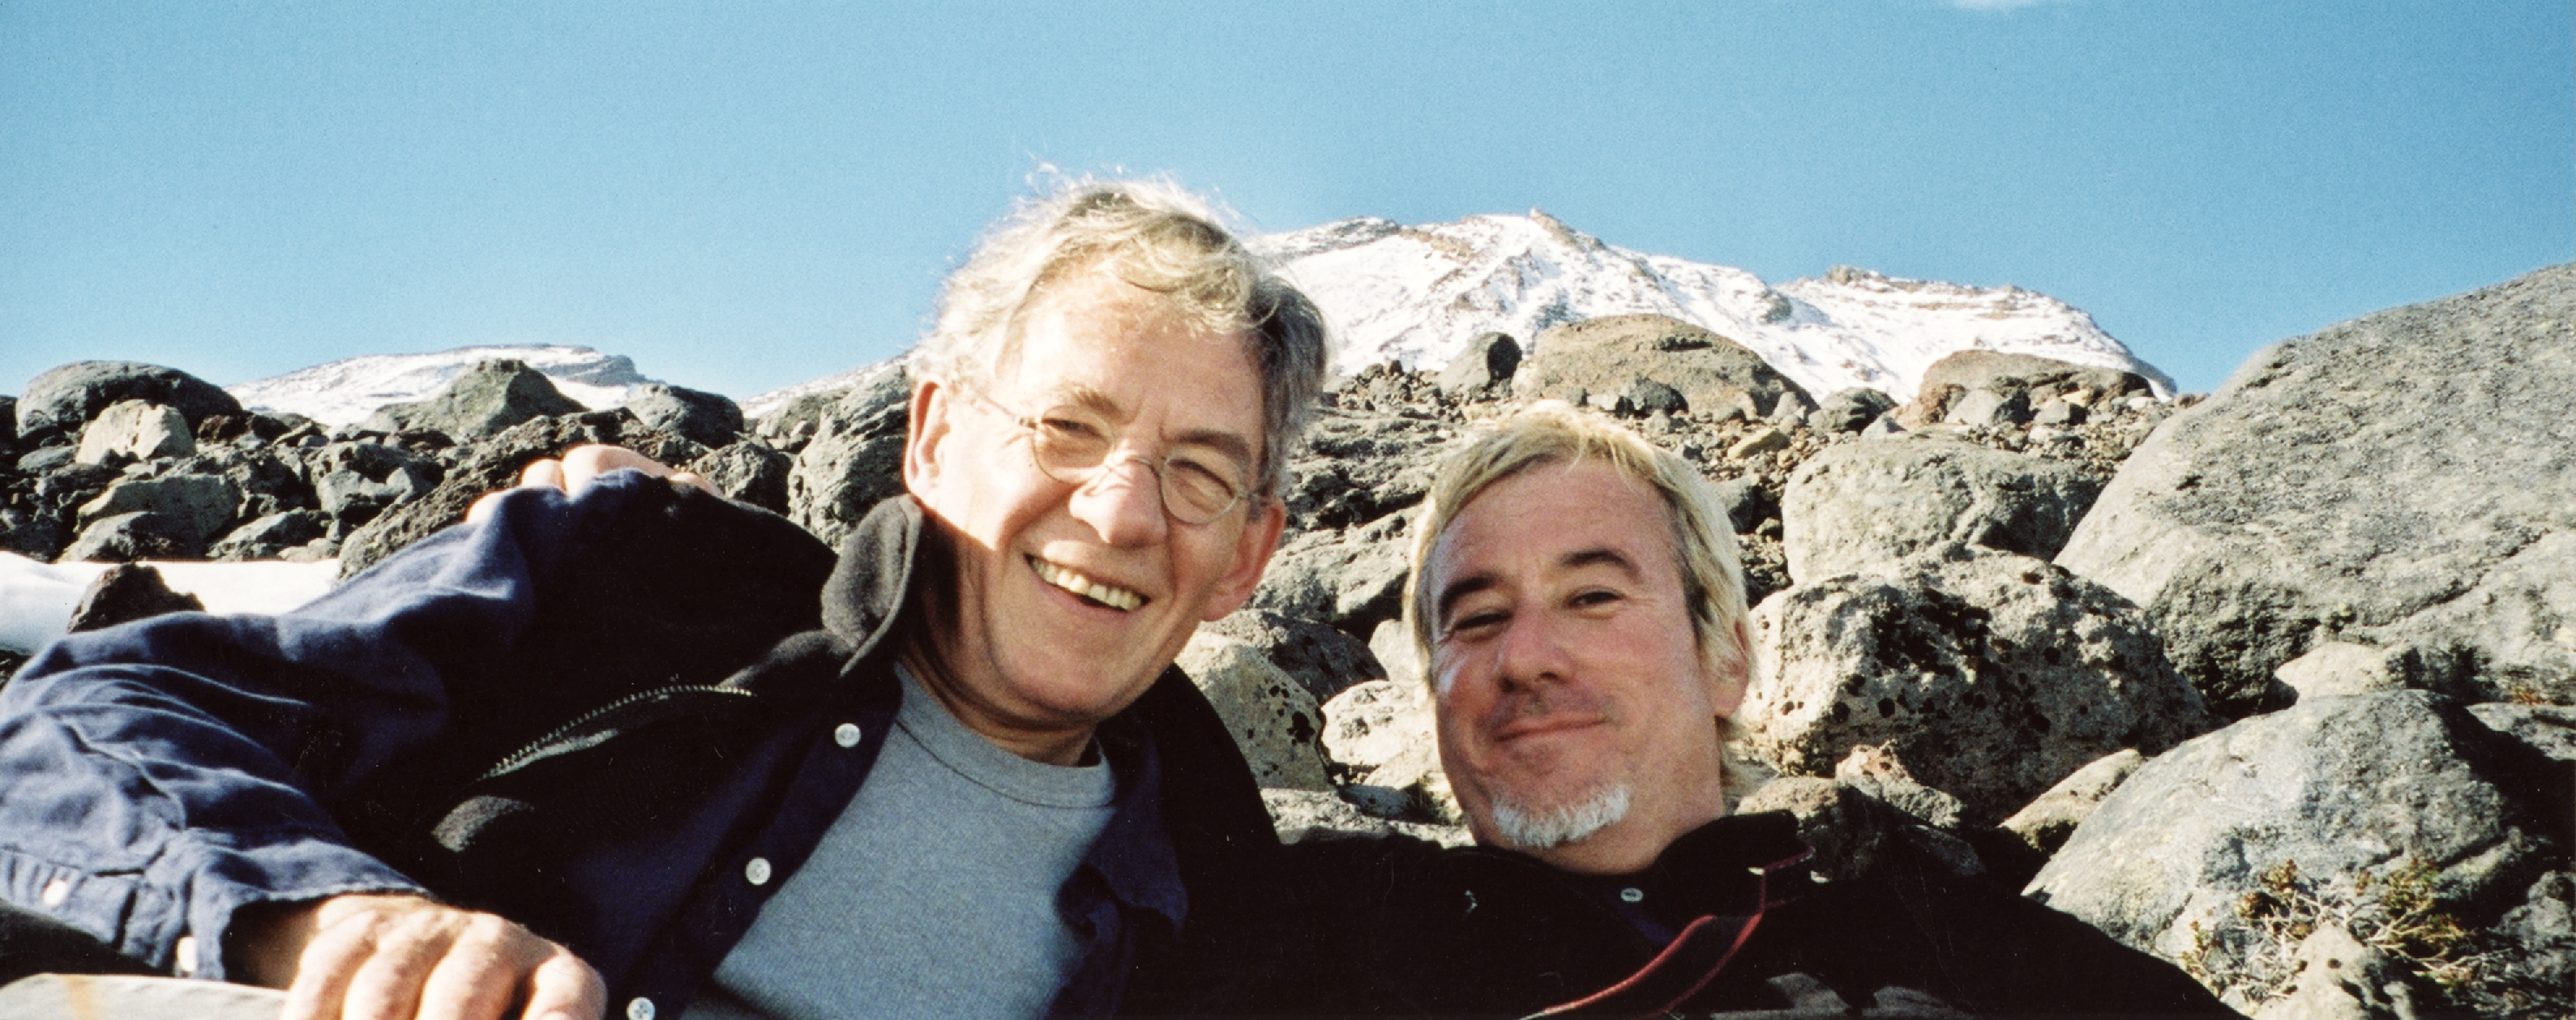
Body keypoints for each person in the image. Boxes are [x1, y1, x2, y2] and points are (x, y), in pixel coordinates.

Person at [0, 178, 1329, 1020]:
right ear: (931, 439)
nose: (1119, 512)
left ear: (1250, 560)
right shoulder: (644, 582)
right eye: (1066, 428)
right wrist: (334, 921)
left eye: (1198, 474)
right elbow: (80, 721)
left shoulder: (1222, 896)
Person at [1274, 403, 2234, 1017]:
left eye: (1594, 596)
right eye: (1477, 618)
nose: (1524, 656)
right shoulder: (1331, 934)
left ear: (1727, 655)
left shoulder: (1957, 942)